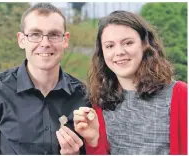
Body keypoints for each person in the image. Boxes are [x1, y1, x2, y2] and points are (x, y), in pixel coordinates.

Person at [0, 3, 89, 155]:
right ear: (21, 39)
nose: (45, 43)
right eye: (35, 34)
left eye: (54, 34)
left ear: (65, 40)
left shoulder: (83, 96)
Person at [73, 10, 187, 155]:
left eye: (128, 43)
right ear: (102, 52)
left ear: (145, 44)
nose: (119, 52)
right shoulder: (99, 102)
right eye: (109, 46)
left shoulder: (180, 94)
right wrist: (93, 140)